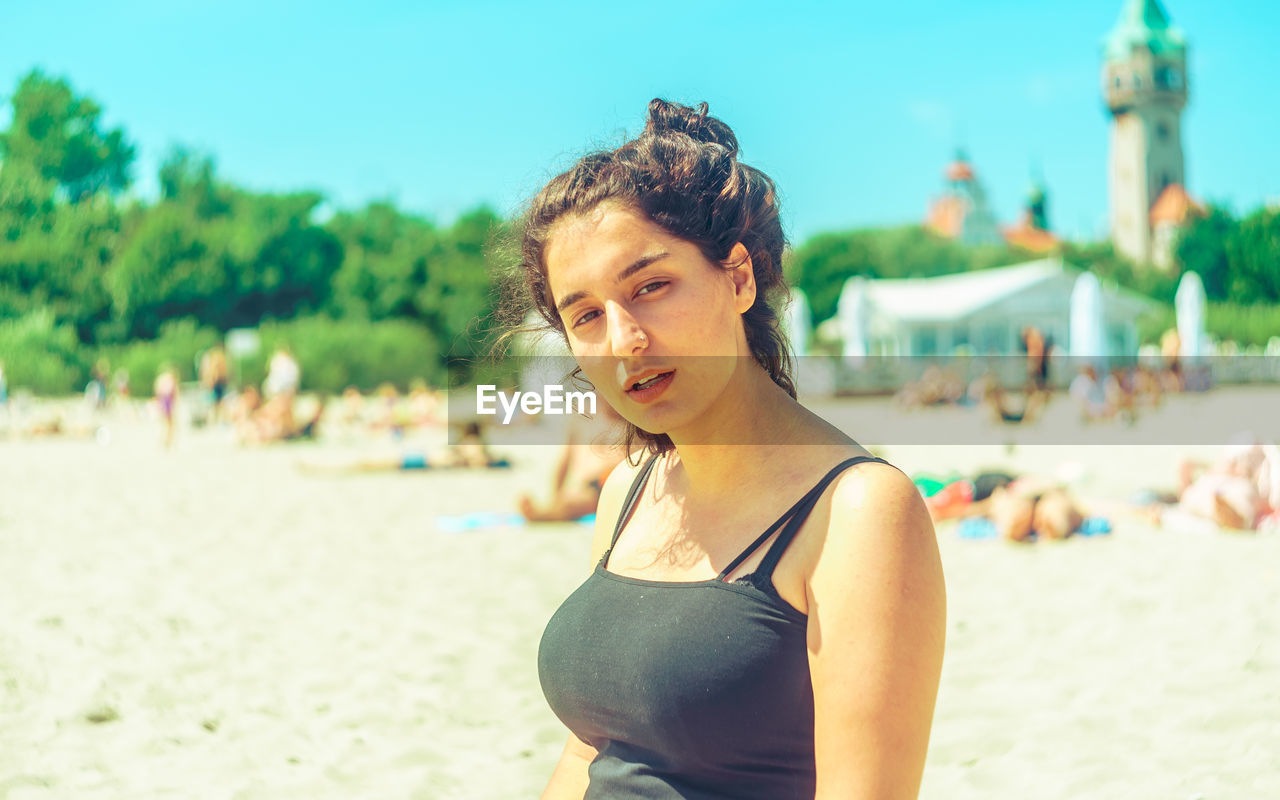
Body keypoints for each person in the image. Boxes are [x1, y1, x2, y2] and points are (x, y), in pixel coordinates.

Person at [521, 99, 945, 799]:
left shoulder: (858, 512)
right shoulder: (629, 490)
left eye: (652, 287)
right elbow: (587, 755)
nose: (624, 340)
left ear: (739, 277)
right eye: (587, 315)